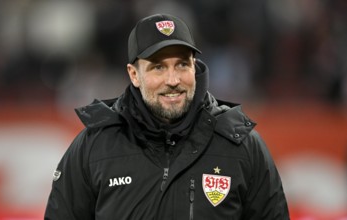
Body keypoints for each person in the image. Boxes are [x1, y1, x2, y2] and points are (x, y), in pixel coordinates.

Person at [44, 14, 290, 220]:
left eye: (182, 65)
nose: (173, 81)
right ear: (134, 75)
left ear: (195, 66)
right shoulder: (94, 146)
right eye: (158, 67)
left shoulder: (241, 145)